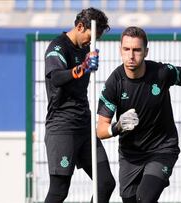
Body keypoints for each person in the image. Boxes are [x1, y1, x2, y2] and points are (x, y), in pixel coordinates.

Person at [96, 26, 181, 203]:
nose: (131, 55)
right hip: (130, 155)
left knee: (144, 199)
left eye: (137, 50)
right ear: (120, 50)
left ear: (146, 51)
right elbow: (100, 130)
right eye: (126, 49)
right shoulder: (114, 83)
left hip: (162, 149)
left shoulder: (161, 73)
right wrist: (118, 126)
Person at [44, 7, 116, 203]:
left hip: (84, 127)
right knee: (59, 191)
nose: (92, 43)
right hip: (62, 127)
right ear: (80, 26)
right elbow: (57, 77)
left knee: (105, 183)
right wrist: (82, 68)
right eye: (91, 37)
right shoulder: (57, 47)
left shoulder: (86, 49)